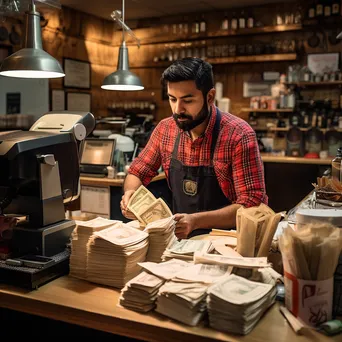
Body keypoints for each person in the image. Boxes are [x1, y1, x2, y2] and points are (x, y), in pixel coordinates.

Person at [121, 57, 268, 239]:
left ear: (210, 97)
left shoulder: (239, 135)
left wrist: (196, 221)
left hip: (227, 242)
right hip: (180, 241)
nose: (177, 109)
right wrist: (131, 194)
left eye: (187, 101)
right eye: (172, 99)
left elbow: (252, 206)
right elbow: (137, 171)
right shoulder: (165, 130)